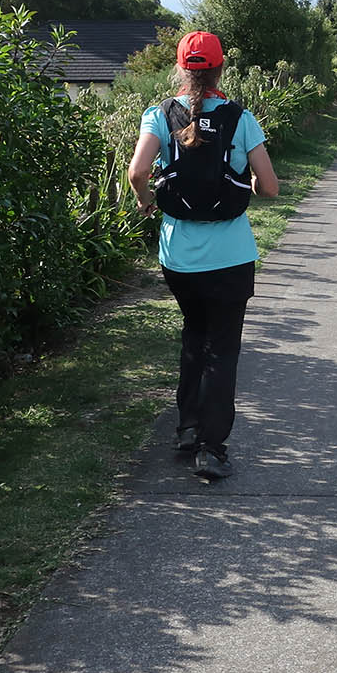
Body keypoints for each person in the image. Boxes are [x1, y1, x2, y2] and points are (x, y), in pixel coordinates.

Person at [127, 30, 279, 480]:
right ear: (220, 68)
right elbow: (270, 187)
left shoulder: (159, 114)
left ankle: (187, 429)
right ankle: (211, 449)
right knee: (222, 349)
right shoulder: (240, 118)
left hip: (179, 258)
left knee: (194, 336)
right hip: (230, 258)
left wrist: (145, 201)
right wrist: (249, 183)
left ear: (180, 67)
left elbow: (137, 171)